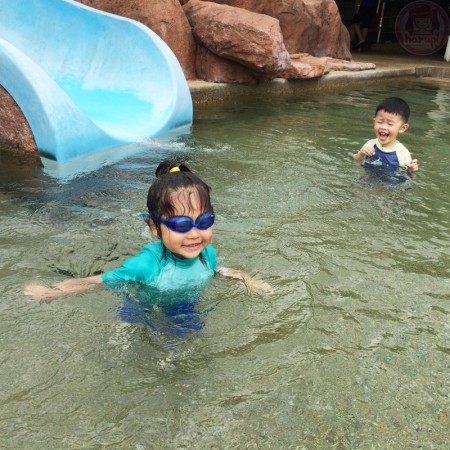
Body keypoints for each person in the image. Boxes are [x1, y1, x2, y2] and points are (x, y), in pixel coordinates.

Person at [24, 160, 272, 303]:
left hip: (184, 307)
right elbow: (99, 281)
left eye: (204, 221)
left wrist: (247, 279)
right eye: (182, 225)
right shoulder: (146, 265)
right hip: (144, 310)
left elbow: (220, 270)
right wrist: (49, 292)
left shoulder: (207, 253)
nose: (195, 234)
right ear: (154, 227)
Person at [353, 97, 419, 172]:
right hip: (368, 180)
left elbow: (408, 175)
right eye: (380, 122)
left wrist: (412, 169)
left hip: (391, 183)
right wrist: (361, 154)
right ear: (374, 122)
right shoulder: (370, 144)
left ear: (402, 128)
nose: (383, 127)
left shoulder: (403, 153)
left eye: (390, 124)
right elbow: (356, 159)